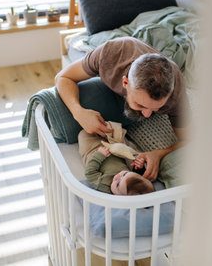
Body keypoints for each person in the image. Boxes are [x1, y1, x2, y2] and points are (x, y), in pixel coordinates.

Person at [55, 37, 191, 182]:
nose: (147, 115)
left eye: (156, 109)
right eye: (141, 105)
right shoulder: (110, 55)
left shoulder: (176, 93)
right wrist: (78, 112)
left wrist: (159, 154)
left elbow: (190, 139)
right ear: (125, 82)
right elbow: (62, 77)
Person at [84, 144, 154, 195]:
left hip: (92, 152)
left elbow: (89, 173)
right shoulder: (130, 181)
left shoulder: (104, 186)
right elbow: (136, 176)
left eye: (117, 185)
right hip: (112, 149)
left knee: (83, 135)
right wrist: (139, 167)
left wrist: (99, 155)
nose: (117, 176)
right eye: (125, 174)